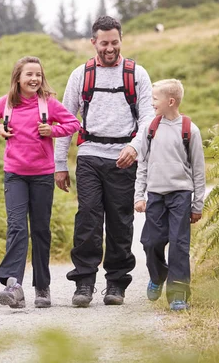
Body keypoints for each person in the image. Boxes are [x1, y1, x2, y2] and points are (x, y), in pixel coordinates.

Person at [54, 16, 155, 307]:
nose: (109, 48)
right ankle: (84, 283)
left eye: (114, 42)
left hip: (124, 158)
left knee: (121, 220)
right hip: (89, 155)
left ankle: (116, 284)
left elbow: (147, 118)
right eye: (104, 43)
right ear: (93, 42)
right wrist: (60, 164)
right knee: (87, 217)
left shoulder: (137, 74)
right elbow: (66, 119)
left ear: (120, 40)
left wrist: (135, 148)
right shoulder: (80, 75)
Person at [0, 56, 80, 309]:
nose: (34, 78)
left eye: (38, 74)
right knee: (16, 227)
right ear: (18, 78)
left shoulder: (48, 104)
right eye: (29, 74)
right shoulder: (7, 104)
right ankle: (14, 286)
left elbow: (73, 123)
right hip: (15, 174)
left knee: (40, 230)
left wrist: (52, 131)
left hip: (42, 175)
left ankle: (42, 287)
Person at [134, 79, 206, 311]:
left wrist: (197, 204)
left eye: (156, 99)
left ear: (170, 101)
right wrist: (139, 194)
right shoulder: (150, 128)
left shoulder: (189, 130)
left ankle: (178, 294)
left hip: (181, 196)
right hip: (155, 195)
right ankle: (158, 275)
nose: (152, 102)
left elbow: (198, 170)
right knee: (150, 242)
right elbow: (142, 163)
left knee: (179, 244)